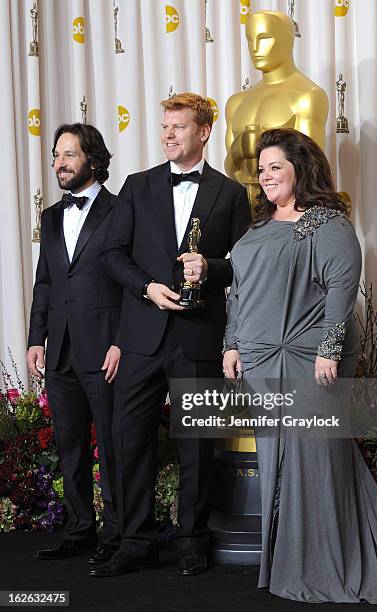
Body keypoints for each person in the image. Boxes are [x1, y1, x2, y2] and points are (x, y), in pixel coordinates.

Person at [223, 128, 377, 605]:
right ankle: (288, 562)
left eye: (276, 167)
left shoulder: (327, 223)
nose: (266, 176)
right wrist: (231, 344)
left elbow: (340, 290)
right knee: (277, 462)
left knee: (314, 460)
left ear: (300, 170)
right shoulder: (256, 228)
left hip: (308, 361)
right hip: (258, 360)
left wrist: (330, 349)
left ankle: (324, 562)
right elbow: (239, 293)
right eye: (262, 168)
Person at [93, 93, 251, 577]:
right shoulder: (136, 186)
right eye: (164, 126)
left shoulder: (230, 193)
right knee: (130, 440)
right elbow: (112, 254)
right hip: (141, 337)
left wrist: (212, 266)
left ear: (203, 132)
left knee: (197, 450)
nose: (167, 134)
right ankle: (136, 540)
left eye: (178, 127)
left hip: (200, 337)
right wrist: (147, 287)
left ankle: (192, 542)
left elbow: (244, 265)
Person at [27, 123, 122, 565]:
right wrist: (35, 339)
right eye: (56, 156)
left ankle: (118, 535)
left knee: (112, 443)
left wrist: (122, 343)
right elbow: (44, 283)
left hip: (105, 351)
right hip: (60, 349)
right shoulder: (49, 216)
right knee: (70, 447)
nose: (59, 164)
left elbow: (131, 288)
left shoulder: (122, 211)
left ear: (93, 159)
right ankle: (80, 529)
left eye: (68, 155)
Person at [224, 10, 328, 207]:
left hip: (289, 214)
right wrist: (239, 148)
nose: (255, 48)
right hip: (242, 214)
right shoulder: (236, 102)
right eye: (250, 40)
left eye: (264, 38)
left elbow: (309, 167)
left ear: (287, 40)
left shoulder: (308, 96)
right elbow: (232, 168)